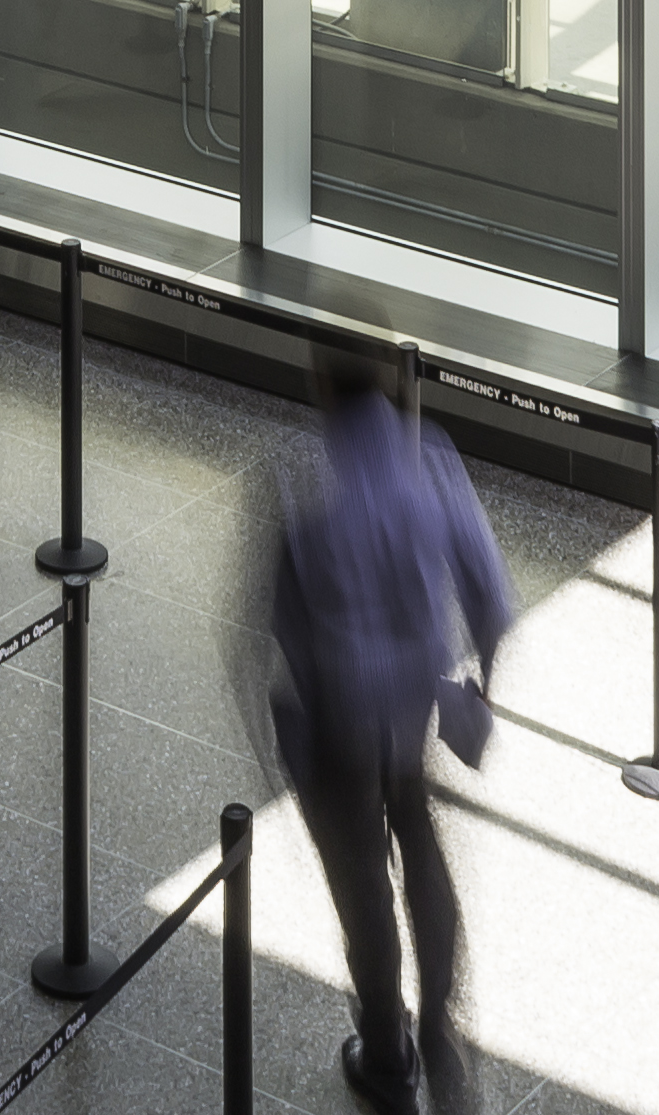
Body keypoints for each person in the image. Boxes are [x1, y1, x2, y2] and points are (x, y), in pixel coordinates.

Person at [264, 346, 514, 1115]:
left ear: (316, 381)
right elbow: (492, 600)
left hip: (338, 716)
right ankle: (439, 1022)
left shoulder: (302, 474)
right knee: (419, 838)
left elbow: (277, 621)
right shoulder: (429, 458)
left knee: (360, 876)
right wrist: (479, 689)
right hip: (412, 706)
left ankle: (384, 1046)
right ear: (387, 379)